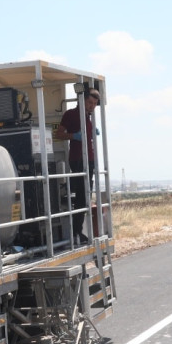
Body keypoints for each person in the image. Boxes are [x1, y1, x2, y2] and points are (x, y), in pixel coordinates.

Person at [55, 88, 101, 239]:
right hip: (78, 159)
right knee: (82, 196)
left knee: (85, 196)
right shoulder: (71, 114)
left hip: (90, 159)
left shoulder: (89, 117)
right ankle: (76, 232)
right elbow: (59, 134)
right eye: (90, 102)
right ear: (82, 100)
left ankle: (78, 231)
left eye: (94, 104)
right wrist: (74, 136)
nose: (92, 106)